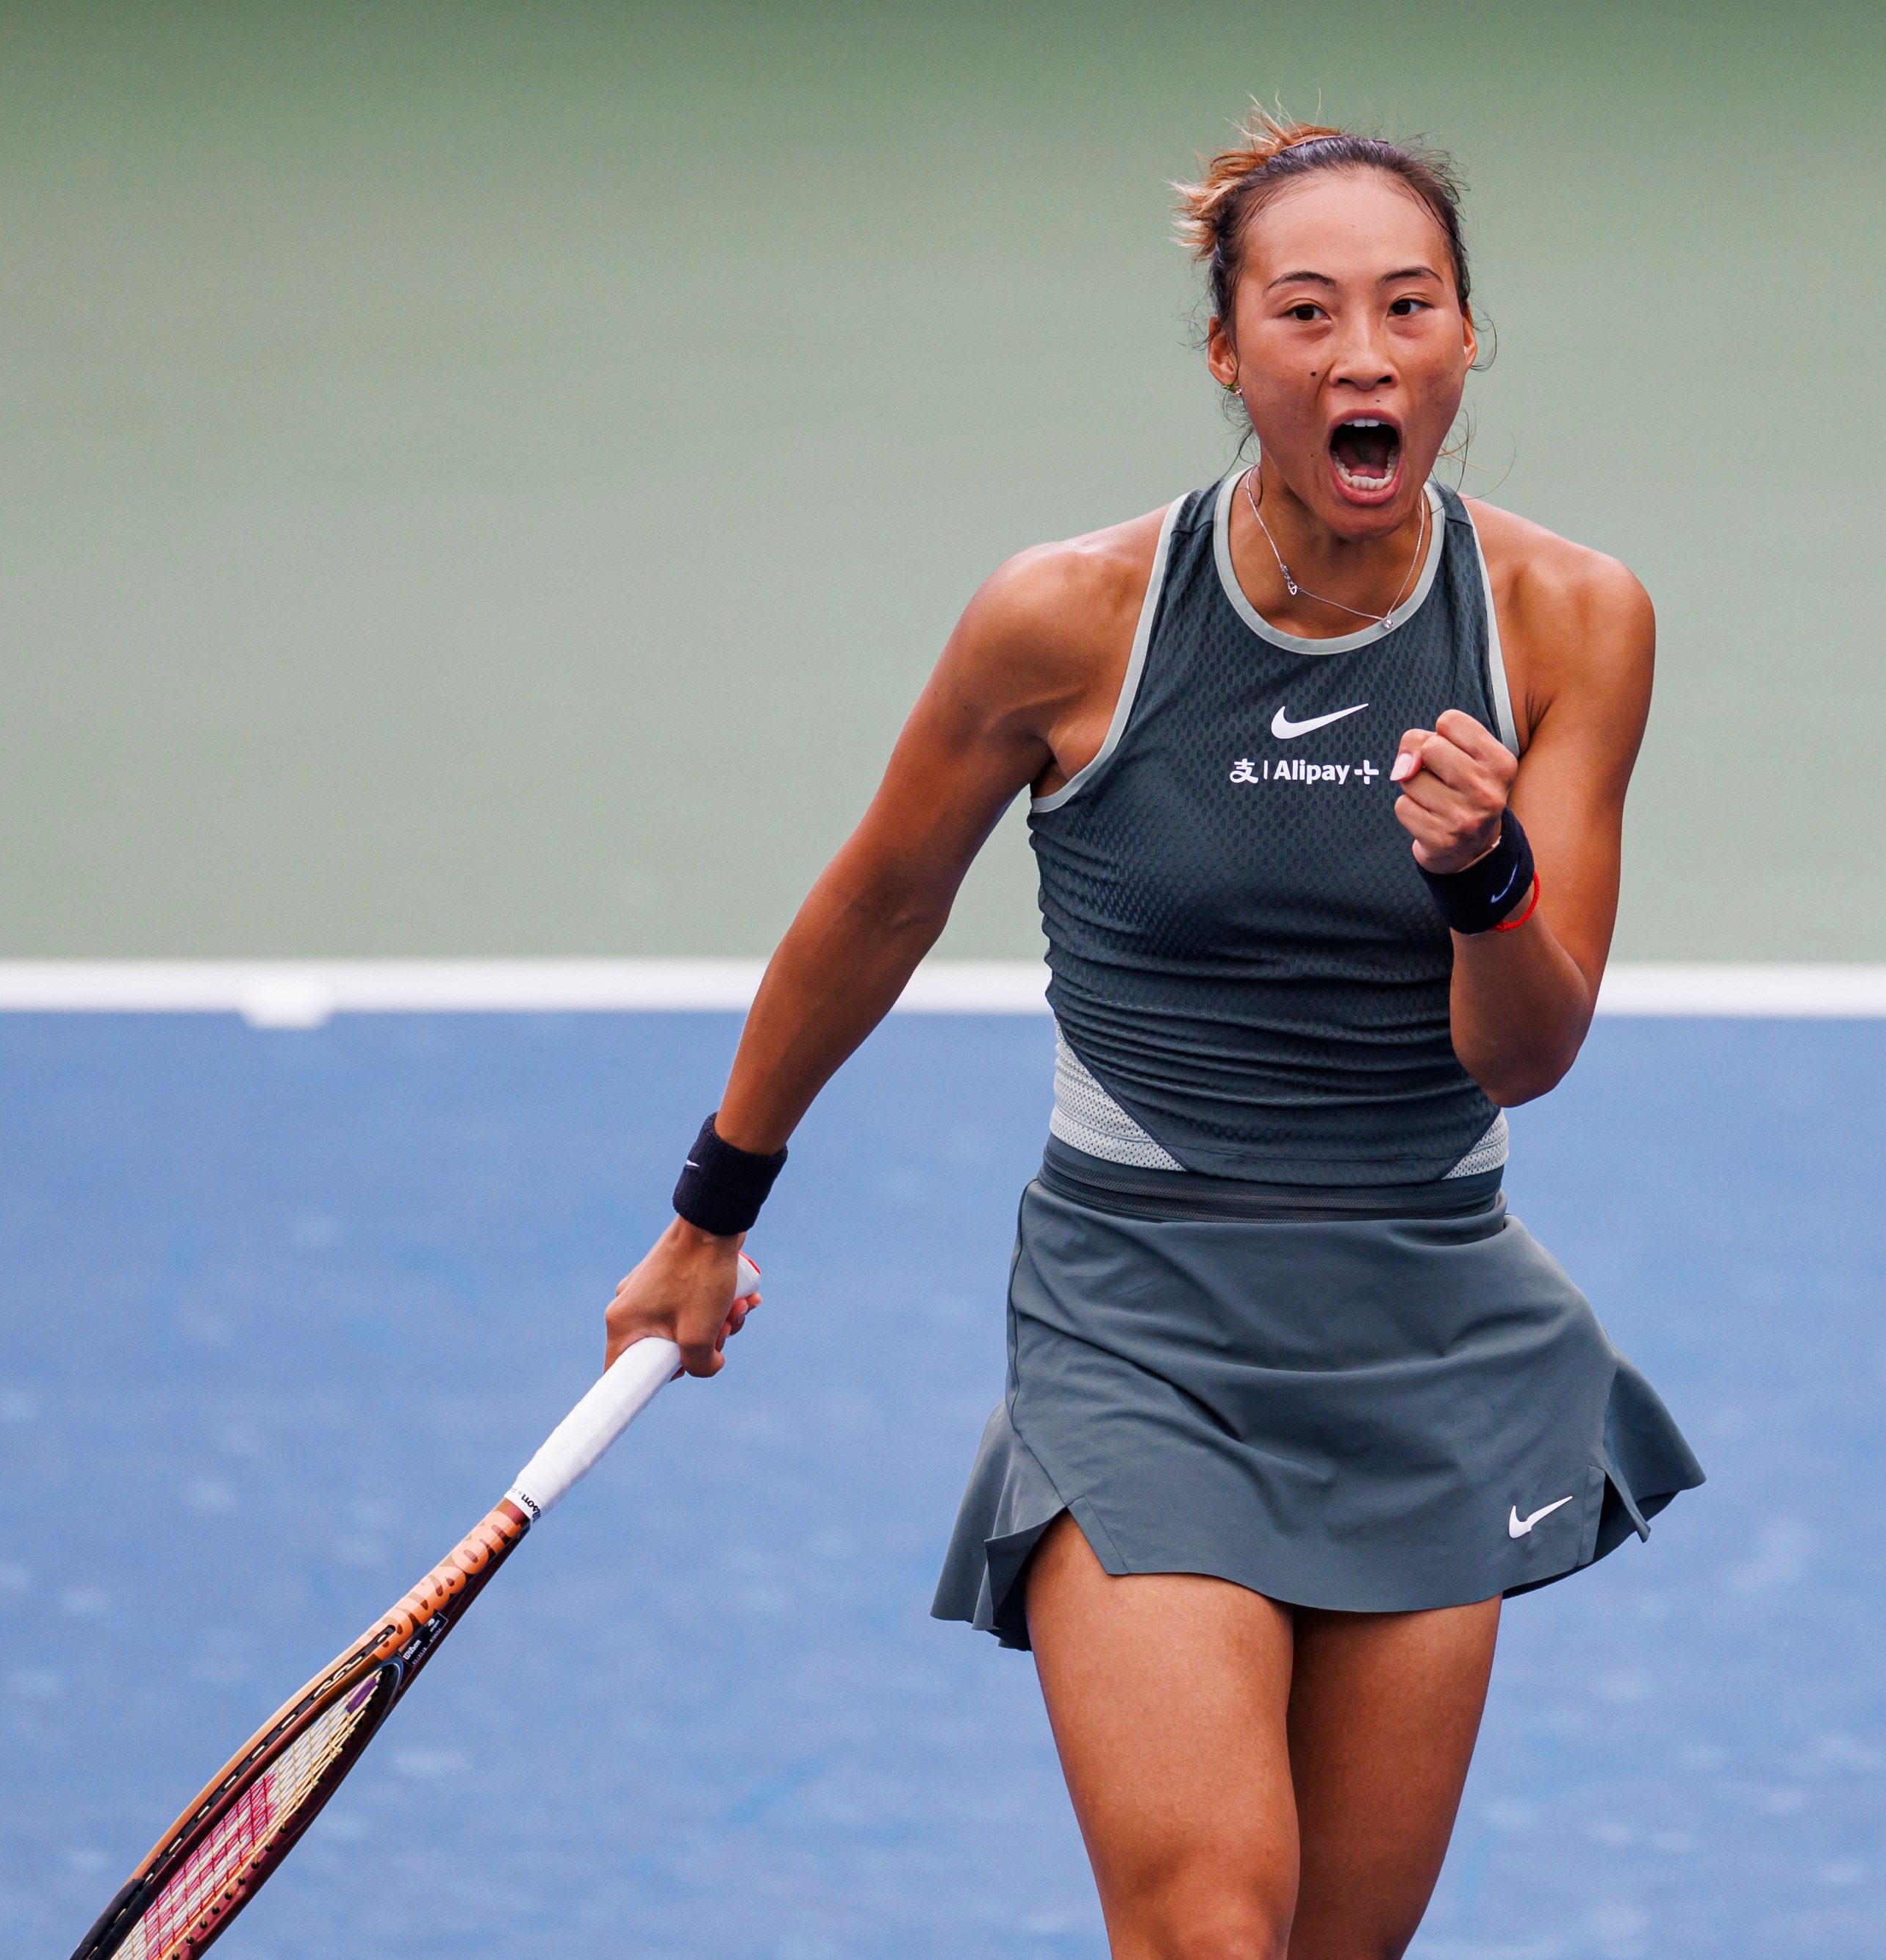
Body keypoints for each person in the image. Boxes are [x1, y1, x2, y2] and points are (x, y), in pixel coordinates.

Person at [606, 110, 1701, 1960]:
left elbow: (1527, 1052)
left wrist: (1488, 873)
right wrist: (715, 1202)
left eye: (1410, 307)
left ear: (1462, 343)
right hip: (1143, 1314)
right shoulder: (1072, 620)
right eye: (1307, 312)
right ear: (1229, 352)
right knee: (1208, 1924)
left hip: (1428, 1318)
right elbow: (878, 903)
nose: (1363, 354)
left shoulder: (1572, 621)